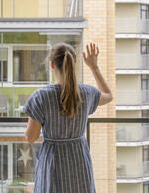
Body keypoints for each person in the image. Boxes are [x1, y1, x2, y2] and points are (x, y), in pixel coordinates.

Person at [23, 42, 113, 193]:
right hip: (78, 161)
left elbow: (31, 138)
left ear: (52, 65)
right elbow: (109, 96)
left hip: (52, 162)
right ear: (74, 64)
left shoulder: (41, 97)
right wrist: (94, 67)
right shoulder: (87, 93)